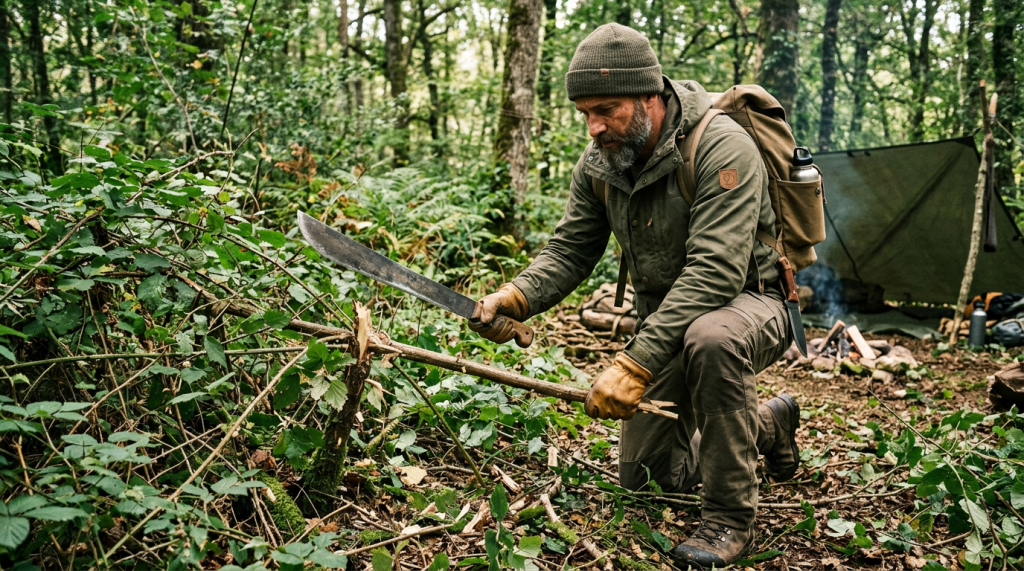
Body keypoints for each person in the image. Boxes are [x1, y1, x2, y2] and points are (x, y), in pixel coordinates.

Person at [470, 23, 801, 568]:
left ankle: (729, 518)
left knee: (713, 338)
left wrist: (634, 364)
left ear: (650, 95)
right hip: (671, 321)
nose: (594, 127)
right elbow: (571, 249)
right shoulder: (601, 161)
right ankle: (768, 424)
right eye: (585, 113)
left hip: (751, 303)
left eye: (607, 110)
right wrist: (515, 296)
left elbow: (716, 272)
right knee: (647, 481)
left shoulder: (721, 146)